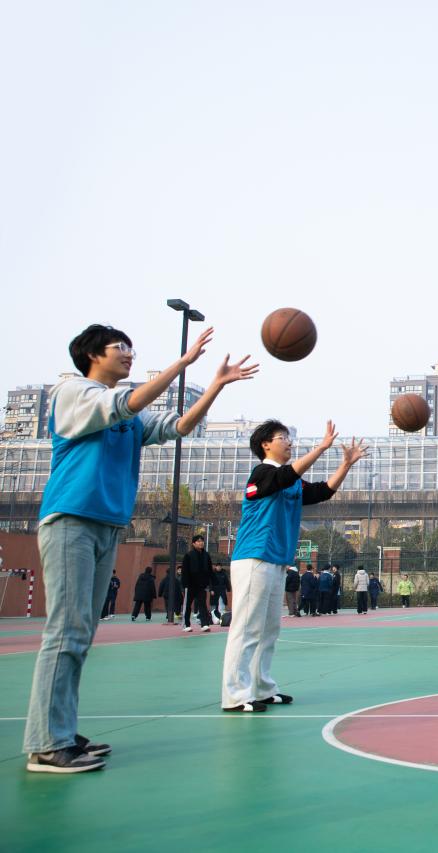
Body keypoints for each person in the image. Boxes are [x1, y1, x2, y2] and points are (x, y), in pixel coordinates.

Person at [24, 323, 255, 773]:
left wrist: (215, 386)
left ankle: (61, 731)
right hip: (71, 519)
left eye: (131, 348)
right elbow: (125, 404)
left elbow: (179, 426)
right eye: (119, 347)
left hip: (108, 525)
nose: (128, 353)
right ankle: (47, 743)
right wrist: (183, 363)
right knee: (66, 631)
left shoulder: (128, 412)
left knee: (81, 632)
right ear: (93, 355)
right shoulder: (72, 393)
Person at [221, 420, 366, 712]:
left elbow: (323, 492)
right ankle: (235, 695)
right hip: (254, 558)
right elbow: (285, 476)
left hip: (277, 562)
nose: (288, 442)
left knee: (269, 630)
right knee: (247, 628)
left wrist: (345, 465)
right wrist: (321, 448)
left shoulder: (293, 482)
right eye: (282, 437)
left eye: (288, 437)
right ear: (266, 445)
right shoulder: (262, 474)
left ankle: (262, 688)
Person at [181, 534, 214, 633]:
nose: (201, 543)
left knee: (202, 605)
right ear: (193, 543)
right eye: (198, 541)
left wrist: (211, 583)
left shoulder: (206, 555)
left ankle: (204, 624)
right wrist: (185, 585)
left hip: (201, 585)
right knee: (187, 605)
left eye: (202, 541)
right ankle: (186, 625)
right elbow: (184, 571)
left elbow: (210, 570)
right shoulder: (188, 555)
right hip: (190, 585)